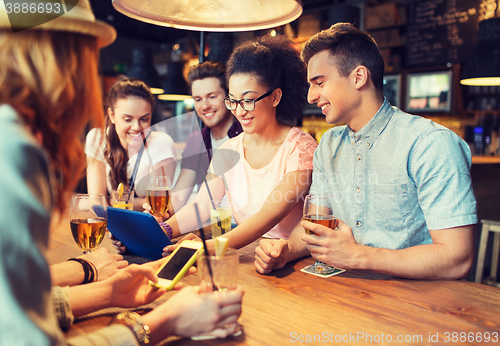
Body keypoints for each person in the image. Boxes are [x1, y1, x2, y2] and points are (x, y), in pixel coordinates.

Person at [0, 1, 243, 344]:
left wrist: (106, 293)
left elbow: (14, 305)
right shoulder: (13, 147)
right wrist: (163, 322)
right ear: (68, 57)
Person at [254, 23, 477, 280]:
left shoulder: (431, 144)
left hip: (421, 305)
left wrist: (358, 256)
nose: (311, 96)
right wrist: (286, 250)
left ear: (359, 77)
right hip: (348, 297)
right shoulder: (328, 145)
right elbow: (318, 228)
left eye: (319, 82)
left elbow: (457, 258)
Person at [156, 35, 318, 253]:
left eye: (248, 100)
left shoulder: (300, 149)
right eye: (233, 100)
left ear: (275, 97)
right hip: (242, 255)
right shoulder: (228, 150)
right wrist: (162, 231)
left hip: (285, 259)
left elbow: (267, 215)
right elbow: (201, 206)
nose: (239, 111)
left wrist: (206, 247)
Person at [86, 77, 177, 210]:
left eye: (144, 119)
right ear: (112, 115)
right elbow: (96, 202)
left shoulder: (161, 143)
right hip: (111, 224)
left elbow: (156, 205)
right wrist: (139, 203)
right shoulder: (97, 138)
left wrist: (115, 202)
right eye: (128, 119)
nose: (136, 127)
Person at [171, 61, 243, 211]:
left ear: (228, 97)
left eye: (211, 96)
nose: (204, 106)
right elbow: (179, 196)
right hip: (209, 226)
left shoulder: (246, 133)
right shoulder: (196, 140)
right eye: (197, 99)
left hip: (245, 226)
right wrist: (158, 215)